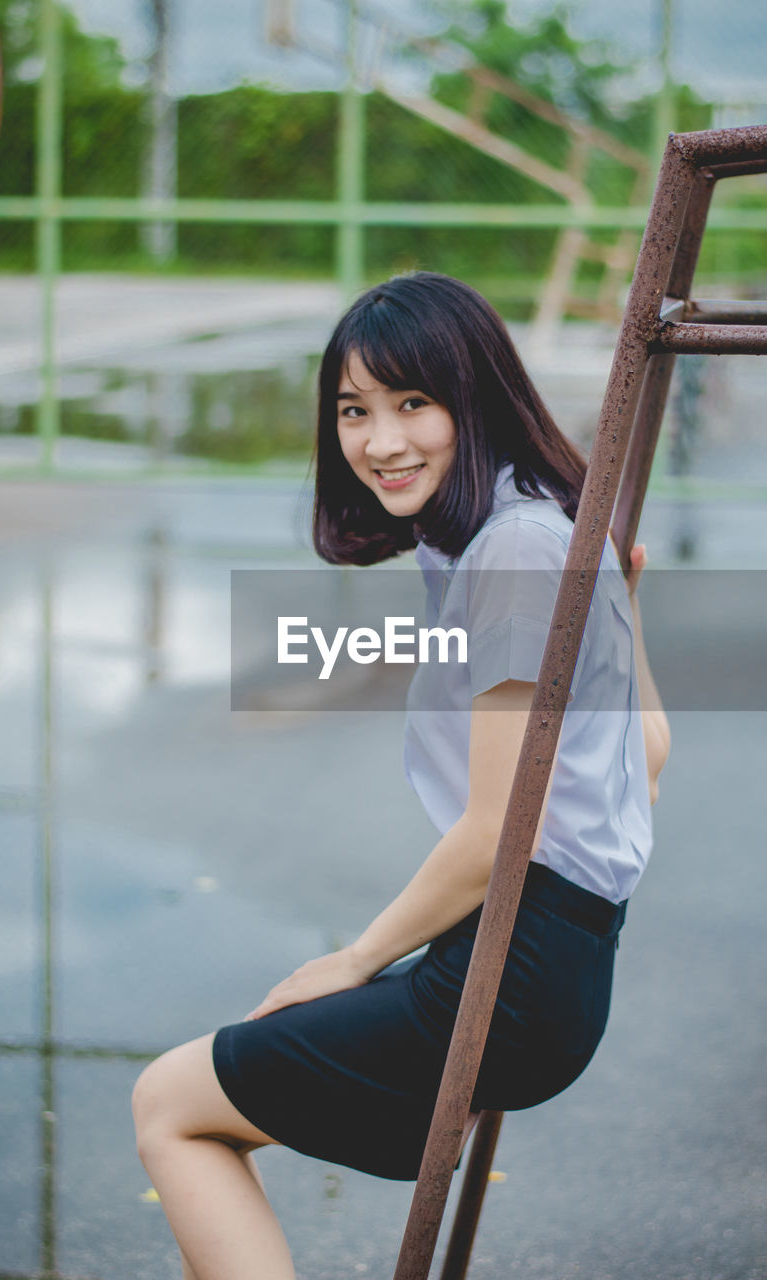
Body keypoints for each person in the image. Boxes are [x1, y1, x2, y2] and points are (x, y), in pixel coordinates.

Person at [132, 272, 670, 1280]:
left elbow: (496, 827)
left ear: (474, 396)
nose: (379, 440)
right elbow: (647, 749)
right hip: (553, 967)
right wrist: (620, 609)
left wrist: (351, 957)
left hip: (510, 966)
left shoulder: (512, 551)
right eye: (353, 409)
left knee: (169, 1103)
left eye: (412, 401)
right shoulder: (526, 528)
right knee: (195, 1098)